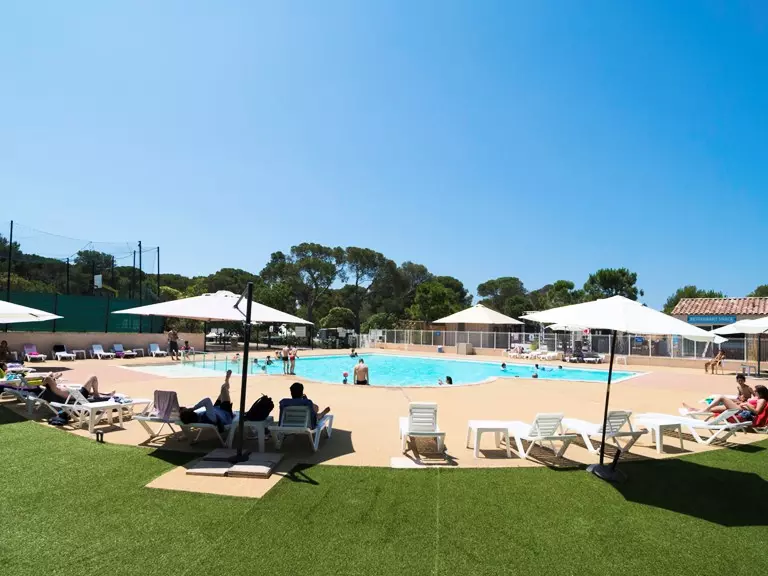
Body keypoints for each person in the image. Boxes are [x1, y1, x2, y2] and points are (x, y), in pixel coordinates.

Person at [39, 374, 113, 403]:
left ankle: (104, 394)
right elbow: (48, 377)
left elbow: (57, 375)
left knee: (90, 391)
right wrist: (51, 376)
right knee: (93, 377)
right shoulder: (55, 387)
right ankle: (97, 395)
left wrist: (54, 377)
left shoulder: (55, 388)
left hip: (77, 393)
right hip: (79, 395)